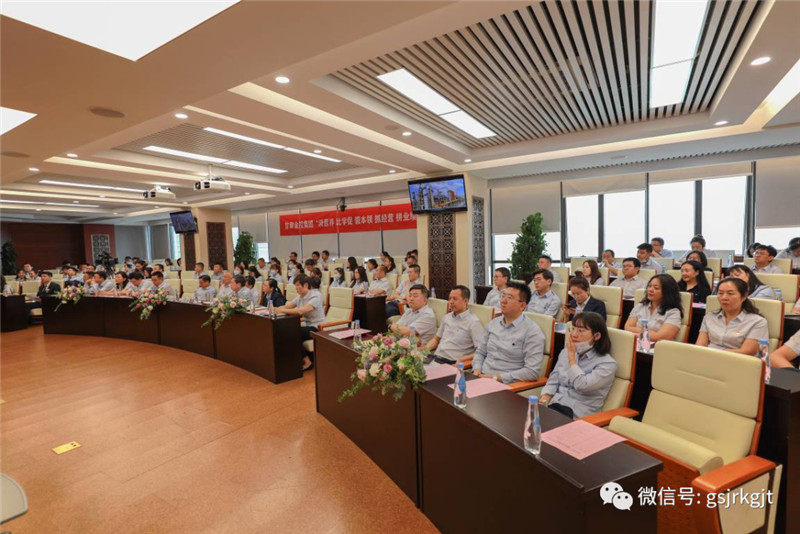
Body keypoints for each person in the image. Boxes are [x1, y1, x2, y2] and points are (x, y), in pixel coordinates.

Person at [539, 312, 617, 419]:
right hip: (553, 406)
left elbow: (582, 385)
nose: (573, 334)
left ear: (597, 336)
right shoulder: (566, 352)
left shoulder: (607, 364)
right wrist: (544, 401)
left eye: (581, 331)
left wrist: (572, 359)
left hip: (577, 415)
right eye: (573, 329)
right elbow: (553, 380)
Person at [472, 281, 545, 384]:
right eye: (503, 296)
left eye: (509, 298)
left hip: (505, 383)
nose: (503, 301)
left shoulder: (532, 332)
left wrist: (496, 378)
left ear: (522, 305)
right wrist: (476, 370)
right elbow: (480, 352)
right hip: (481, 376)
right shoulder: (493, 324)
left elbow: (532, 372)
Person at [697, 277, 768, 355]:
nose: (724, 298)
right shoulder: (709, 317)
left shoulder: (757, 322)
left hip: (737, 359)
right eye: (720, 293)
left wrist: (715, 354)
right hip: (707, 358)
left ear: (744, 296)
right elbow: (700, 345)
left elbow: (748, 351)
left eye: (730, 293)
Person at [274, 274, 326, 371]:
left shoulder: (316, 296)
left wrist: (281, 310)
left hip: (316, 327)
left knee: (291, 333)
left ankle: (307, 362)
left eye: (298, 285)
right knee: (283, 331)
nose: (296, 288)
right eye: (295, 285)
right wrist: (275, 309)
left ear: (305, 285)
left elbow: (300, 311)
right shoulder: (300, 296)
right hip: (306, 325)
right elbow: (287, 306)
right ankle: (293, 360)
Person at [425, 285, 484, 364]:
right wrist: (423, 351)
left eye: (455, 299)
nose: (451, 302)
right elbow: (436, 339)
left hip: (453, 362)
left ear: (465, 301)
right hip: (436, 358)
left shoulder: (473, 322)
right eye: (450, 298)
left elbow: (481, 351)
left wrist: (462, 360)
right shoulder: (447, 317)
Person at [625, 274, 683, 342]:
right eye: (649, 286)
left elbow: (660, 337)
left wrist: (635, 334)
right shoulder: (640, 306)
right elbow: (627, 327)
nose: (650, 290)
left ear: (667, 292)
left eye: (656, 288)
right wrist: (649, 332)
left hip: (658, 347)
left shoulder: (673, 312)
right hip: (637, 343)